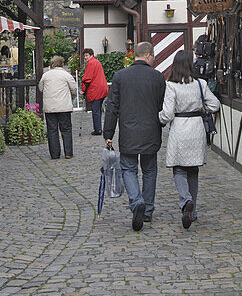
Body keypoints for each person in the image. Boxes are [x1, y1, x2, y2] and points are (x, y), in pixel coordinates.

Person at [103, 40, 166, 230]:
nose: (154, 59)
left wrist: (108, 132)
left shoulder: (120, 77)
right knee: (149, 170)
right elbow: (162, 106)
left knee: (128, 169)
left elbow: (112, 107)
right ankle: (147, 210)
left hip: (128, 132)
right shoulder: (157, 77)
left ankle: (136, 201)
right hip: (151, 131)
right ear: (147, 55)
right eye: (153, 56)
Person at [158, 50, 220, 229]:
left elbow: (168, 113)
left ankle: (186, 200)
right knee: (193, 170)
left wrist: (159, 119)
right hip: (196, 128)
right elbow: (214, 105)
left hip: (179, 128)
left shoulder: (171, 85)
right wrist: (202, 109)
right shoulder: (200, 84)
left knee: (179, 169)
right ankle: (191, 212)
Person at [39, 55, 77, 159]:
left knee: (52, 130)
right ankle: (68, 153)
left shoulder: (46, 75)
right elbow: (73, 88)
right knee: (66, 129)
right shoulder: (66, 75)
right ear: (62, 64)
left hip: (50, 107)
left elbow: (40, 88)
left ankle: (55, 154)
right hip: (63, 106)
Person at [81, 48, 109, 135]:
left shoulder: (91, 63)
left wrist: (83, 90)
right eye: (84, 56)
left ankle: (98, 129)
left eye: (86, 55)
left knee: (95, 110)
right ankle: (99, 128)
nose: (85, 57)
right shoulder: (96, 62)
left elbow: (87, 79)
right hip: (102, 88)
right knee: (99, 110)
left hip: (95, 90)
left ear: (91, 55)